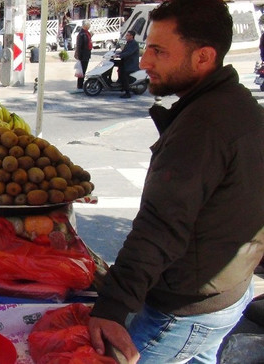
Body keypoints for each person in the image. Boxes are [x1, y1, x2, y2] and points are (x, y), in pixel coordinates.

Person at [87, 1, 264, 363]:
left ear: (203, 57)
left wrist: (112, 307)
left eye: (158, 51)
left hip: (185, 310)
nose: (144, 61)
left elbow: (160, 226)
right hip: (227, 296)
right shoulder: (241, 105)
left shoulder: (203, 127)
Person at [116, 30, 140, 98]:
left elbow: (128, 53)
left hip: (131, 64)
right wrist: (116, 54)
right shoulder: (128, 43)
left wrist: (119, 56)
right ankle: (121, 86)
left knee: (124, 74)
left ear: (131, 36)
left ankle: (127, 93)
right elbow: (123, 51)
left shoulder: (134, 44)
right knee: (119, 70)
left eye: (127, 35)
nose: (126, 36)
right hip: (126, 62)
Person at [74, 21, 92, 90]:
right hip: (83, 55)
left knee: (83, 70)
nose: (89, 27)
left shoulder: (86, 33)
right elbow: (79, 45)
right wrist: (78, 55)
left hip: (86, 54)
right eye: (88, 25)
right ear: (85, 26)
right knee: (82, 70)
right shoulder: (83, 34)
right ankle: (80, 85)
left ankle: (81, 84)